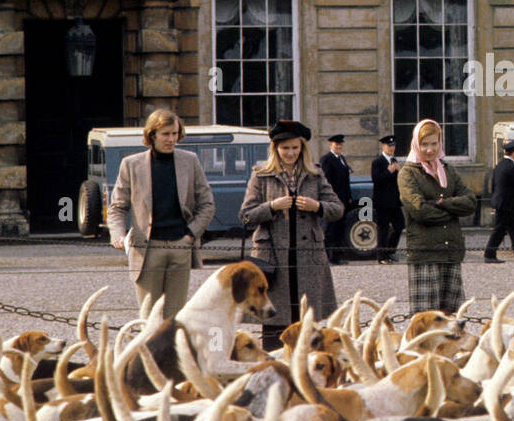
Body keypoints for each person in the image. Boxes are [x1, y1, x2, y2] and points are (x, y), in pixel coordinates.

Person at [239, 120, 343, 348]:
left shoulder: (315, 175)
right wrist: (272, 206)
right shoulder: (261, 175)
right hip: (273, 261)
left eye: (295, 148)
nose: (290, 153)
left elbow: (337, 208)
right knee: (275, 324)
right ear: (275, 149)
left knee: (307, 325)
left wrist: (317, 206)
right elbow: (246, 215)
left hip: (308, 260)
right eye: (285, 148)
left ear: (302, 148)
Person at [106, 108, 215, 320]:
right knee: (149, 318)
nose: (171, 139)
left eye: (175, 134)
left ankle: (173, 354)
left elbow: (207, 204)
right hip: (147, 249)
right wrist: (118, 236)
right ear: (152, 134)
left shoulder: (190, 160)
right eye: (166, 134)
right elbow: (117, 207)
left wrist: (190, 235)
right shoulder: (131, 164)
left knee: (176, 318)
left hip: (181, 246)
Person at [397, 119, 477, 314]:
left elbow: (471, 201)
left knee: (453, 318)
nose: (430, 149)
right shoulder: (408, 173)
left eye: (434, 143)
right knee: (426, 319)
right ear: (416, 144)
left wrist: (443, 203)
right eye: (425, 144)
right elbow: (419, 210)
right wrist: (452, 211)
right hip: (425, 252)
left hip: (451, 251)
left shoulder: (448, 170)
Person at [483, 139, 514, 263]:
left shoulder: (499, 165)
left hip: (501, 202)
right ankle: (489, 254)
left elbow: (493, 184)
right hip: (506, 204)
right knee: (499, 230)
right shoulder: (512, 167)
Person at [319, 133, 353, 265]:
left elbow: (346, 180)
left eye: (340, 144)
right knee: (329, 229)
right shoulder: (327, 159)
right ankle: (326, 257)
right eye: (336, 144)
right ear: (330, 144)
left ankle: (337, 256)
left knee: (339, 228)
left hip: (343, 198)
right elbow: (326, 180)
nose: (339, 146)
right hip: (332, 198)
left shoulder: (342, 159)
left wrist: (349, 197)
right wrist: (330, 197)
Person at [371, 134, 405, 264]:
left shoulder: (394, 160)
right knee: (383, 228)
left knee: (399, 225)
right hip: (382, 202)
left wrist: (399, 171)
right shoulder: (378, 162)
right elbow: (376, 179)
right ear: (383, 146)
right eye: (389, 146)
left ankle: (390, 251)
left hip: (395, 201)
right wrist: (389, 171)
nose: (391, 148)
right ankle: (381, 256)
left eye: (393, 146)